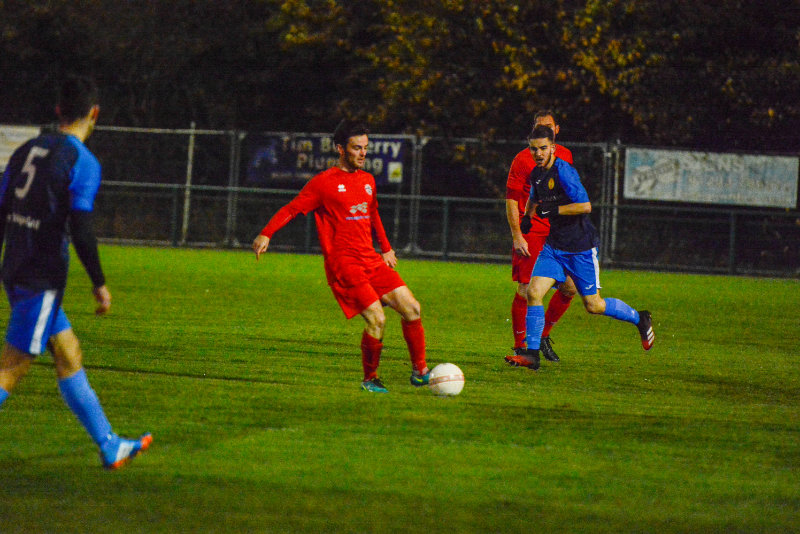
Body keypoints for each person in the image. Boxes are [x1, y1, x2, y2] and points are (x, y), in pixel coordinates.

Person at [0, 75, 152, 469]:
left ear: (58, 111)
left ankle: (109, 444)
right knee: (10, 369)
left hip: (15, 267)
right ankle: (109, 444)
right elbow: (81, 228)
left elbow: (1, 208)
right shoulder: (82, 162)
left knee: (69, 353)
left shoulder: (27, 149)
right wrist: (99, 283)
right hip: (41, 277)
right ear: (94, 113)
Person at [252, 120, 430, 393]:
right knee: (377, 319)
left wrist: (385, 248)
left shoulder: (368, 181)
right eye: (356, 148)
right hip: (344, 264)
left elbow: (373, 214)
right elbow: (291, 209)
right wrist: (266, 233)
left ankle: (420, 372)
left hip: (370, 259)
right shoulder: (323, 183)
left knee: (412, 308)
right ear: (340, 149)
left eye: (365, 148)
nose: (363, 153)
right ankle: (370, 379)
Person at [505, 125, 655, 370]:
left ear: (553, 148)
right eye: (533, 149)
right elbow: (533, 197)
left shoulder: (564, 172)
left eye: (543, 148)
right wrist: (527, 218)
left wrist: (555, 210)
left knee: (594, 305)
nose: (538, 153)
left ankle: (640, 318)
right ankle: (531, 355)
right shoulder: (537, 173)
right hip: (553, 247)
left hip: (580, 248)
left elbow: (585, 206)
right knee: (533, 292)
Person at [505, 110, 577, 362]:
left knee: (570, 287)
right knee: (526, 289)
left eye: (548, 126)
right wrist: (517, 235)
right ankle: (520, 346)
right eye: (539, 127)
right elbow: (511, 200)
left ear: (556, 130)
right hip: (533, 231)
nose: (544, 130)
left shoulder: (566, 155)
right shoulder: (522, 159)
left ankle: (543, 336)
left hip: (559, 232)